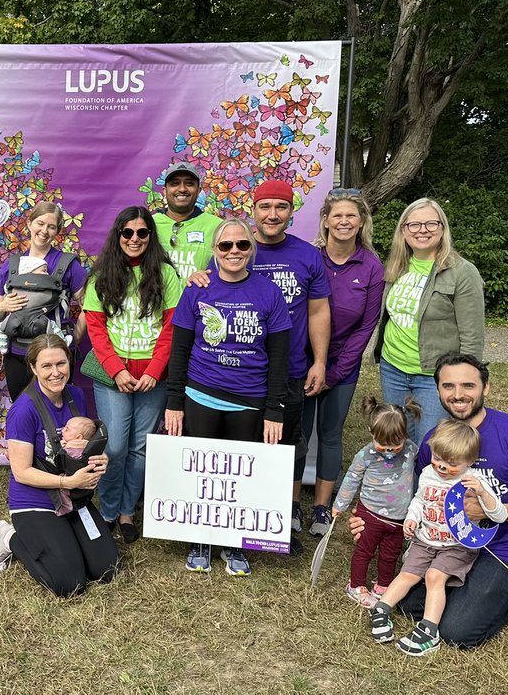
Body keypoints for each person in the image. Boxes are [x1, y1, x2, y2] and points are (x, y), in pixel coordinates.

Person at [349, 352, 508, 648]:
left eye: (468, 386)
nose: (458, 395)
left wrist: (494, 510)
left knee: (457, 631)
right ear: (438, 390)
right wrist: (368, 519)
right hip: (447, 544)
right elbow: (419, 496)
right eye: (448, 387)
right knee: (408, 603)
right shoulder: (436, 441)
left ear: (486, 388)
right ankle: (478, 590)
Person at [164, 217, 291, 577]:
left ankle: (236, 542)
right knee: (203, 472)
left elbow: (280, 355)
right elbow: (180, 348)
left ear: (251, 249)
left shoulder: (268, 292)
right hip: (201, 393)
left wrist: (274, 409)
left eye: (242, 245)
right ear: (215, 252)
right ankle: (201, 539)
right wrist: (175, 401)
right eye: (225, 246)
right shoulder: (197, 288)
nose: (234, 251)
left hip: (250, 398)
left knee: (241, 476)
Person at [0, 334, 118, 597]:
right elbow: (21, 472)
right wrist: (67, 482)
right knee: (69, 584)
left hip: (74, 497)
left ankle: (65, 537)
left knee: (106, 569)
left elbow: (83, 444)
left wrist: (101, 460)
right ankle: (9, 537)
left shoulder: (76, 395)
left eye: (61, 364)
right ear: (33, 368)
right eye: (46, 366)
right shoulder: (23, 410)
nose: (56, 373)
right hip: (36, 498)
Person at [83, 206, 183, 543]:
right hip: (113, 377)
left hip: (154, 377)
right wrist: (116, 370)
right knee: (114, 447)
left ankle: (127, 512)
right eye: (128, 233)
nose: (135, 239)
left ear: (151, 236)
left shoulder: (166, 275)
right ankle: (108, 511)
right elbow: (96, 331)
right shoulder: (101, 275)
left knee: (140, 447)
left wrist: (155, 370)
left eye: (142, 233)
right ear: (119, 235)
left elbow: (172, 328)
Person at [369, 419, 506, 656]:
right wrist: (412, 518)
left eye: (451, 463)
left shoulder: (473, 481)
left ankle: (429, 631)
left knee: (434, 576)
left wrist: (483, 492)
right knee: (407, 575)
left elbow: (500, 515)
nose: (442, 467)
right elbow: (420, 500)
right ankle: (381, 609)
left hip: (455, 545)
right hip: (426, 539)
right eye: (438, 458)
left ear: (470, 462)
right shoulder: (427, 473)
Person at [246, 179, 330, 542]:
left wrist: (320, 361)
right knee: (245, 443)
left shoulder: (307, 256)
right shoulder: (238, 248)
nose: (272, 214)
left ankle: (287, 507)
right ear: (254, 211)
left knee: (289, 443)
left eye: (280, 207)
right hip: (244, 371)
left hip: (292, 368)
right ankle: (246, 508)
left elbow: (318, 312)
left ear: (291, 213)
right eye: (265, 207)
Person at [301, 189, 384, 537]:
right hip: (303, 363)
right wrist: (310, 363)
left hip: (343, 367)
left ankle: (321, 507)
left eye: (351, 216)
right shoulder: (310, 258)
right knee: (299, 435)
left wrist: (334, 372)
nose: (344, 221)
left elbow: (367, 325)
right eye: (338, 215)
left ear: (361, 221)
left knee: (331, 435)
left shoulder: (371, 266)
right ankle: (290, 505)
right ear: (326, 220)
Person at [374, 198, 485, 447]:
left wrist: (465, 382)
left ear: (442, 229)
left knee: (430, 445)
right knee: (399, 440)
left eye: (430, 224)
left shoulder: (462, 272)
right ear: (403, 231)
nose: (422, 230)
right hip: (393, 369)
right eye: (413, 224)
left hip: (433, 375)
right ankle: (405, 487)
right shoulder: (397, 267)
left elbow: (472, 336)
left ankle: (427, 488)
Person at [0, 201, 87, 400]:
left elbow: (90, 307)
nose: (44, 231)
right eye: (40, 223)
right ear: (30, 224)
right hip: (17, 353)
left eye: (51, 227)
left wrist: (73, 339)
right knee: (22, 407)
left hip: (54, 356)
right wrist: (3, 305)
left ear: (58, 231)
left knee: (55, 409)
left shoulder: (67, 264)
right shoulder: (12, 266)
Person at [331, 396, 422, 607]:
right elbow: (351, 479)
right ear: (372, 433)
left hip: (399, 517)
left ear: (405, 435)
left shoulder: (410, 450)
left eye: (395, 445)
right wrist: (339, 506)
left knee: (391, 554)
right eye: (383, 445)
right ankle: (356, 585)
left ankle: (383, 585)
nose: (390, 450)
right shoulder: (366, 455)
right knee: (365, 550)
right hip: (370, 514)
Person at [151, 163, 224, 282]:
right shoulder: (149, 224)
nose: (182, 189)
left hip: (198, 300)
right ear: (165, 190)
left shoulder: (218, 227)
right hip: (157, 300)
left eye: (189, 183)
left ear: (199, 190)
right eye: (175, 183)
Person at [0, 256, 64, 355]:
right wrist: (3, 305)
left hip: (16, 319)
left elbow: (7, 289)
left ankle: (3, 346)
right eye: (43, 271)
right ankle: (63, 341)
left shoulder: (12, 285)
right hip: (38, 319)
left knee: (3, 327)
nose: (47, 274)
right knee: (52, 326)